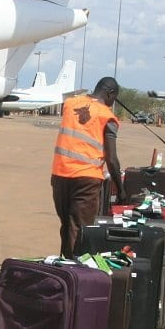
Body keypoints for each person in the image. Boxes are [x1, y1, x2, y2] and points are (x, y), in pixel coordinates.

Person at [51, 76, 127, 259]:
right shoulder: (107, 117)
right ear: (110, 93)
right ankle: (75, 271)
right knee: (79, 227)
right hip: (86, 179)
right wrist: (121, 190)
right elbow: (111, 158)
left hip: (60, 174)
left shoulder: (70, 104)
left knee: (67, 225)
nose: (112, 104)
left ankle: (65, 264)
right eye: (113, 99)